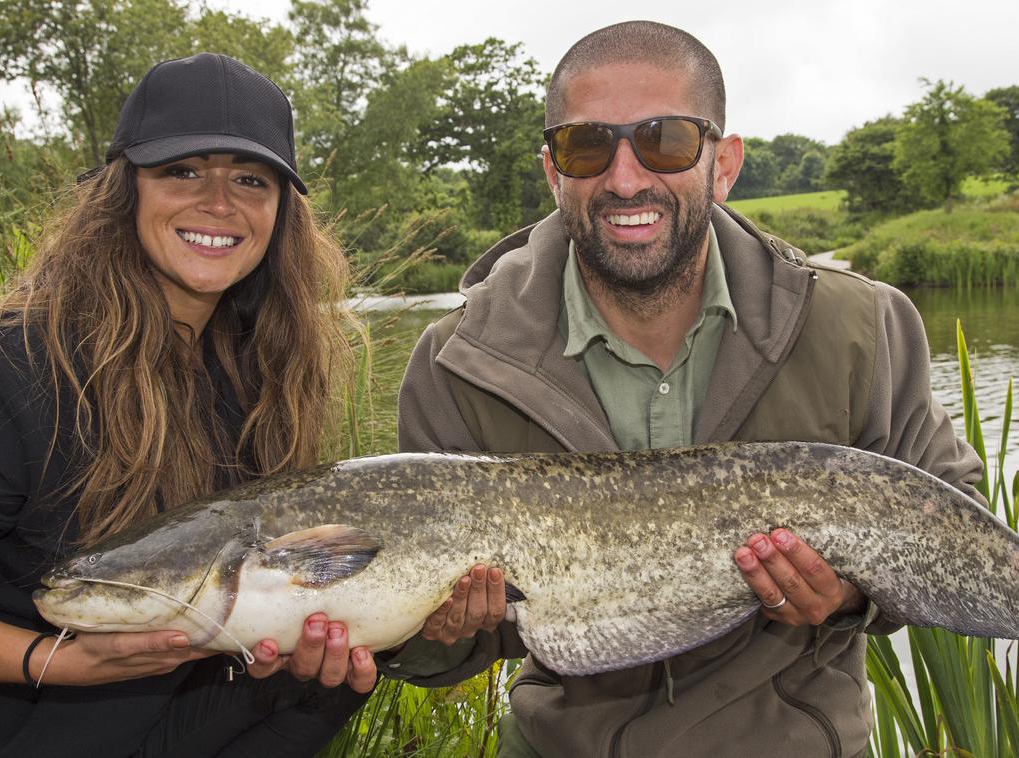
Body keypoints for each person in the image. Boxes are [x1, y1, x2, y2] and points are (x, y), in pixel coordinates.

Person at [385, 21, 985, 757]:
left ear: (723, 163)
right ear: (552, 170)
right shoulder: (454, 361)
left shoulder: (863, 322)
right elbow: (432, 655)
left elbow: (966, 537)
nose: (625, 178)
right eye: (586, 146)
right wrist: (435, 634)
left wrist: (851, 595)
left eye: (664, 141)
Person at [0, 53, 377, 757]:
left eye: (250, 180)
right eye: (181, 170)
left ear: (280, 213)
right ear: (122, 192)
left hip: (167, 720)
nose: (218, 203)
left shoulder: (262, 369)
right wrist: (55, 660)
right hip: (11, 733)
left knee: (338, 679)